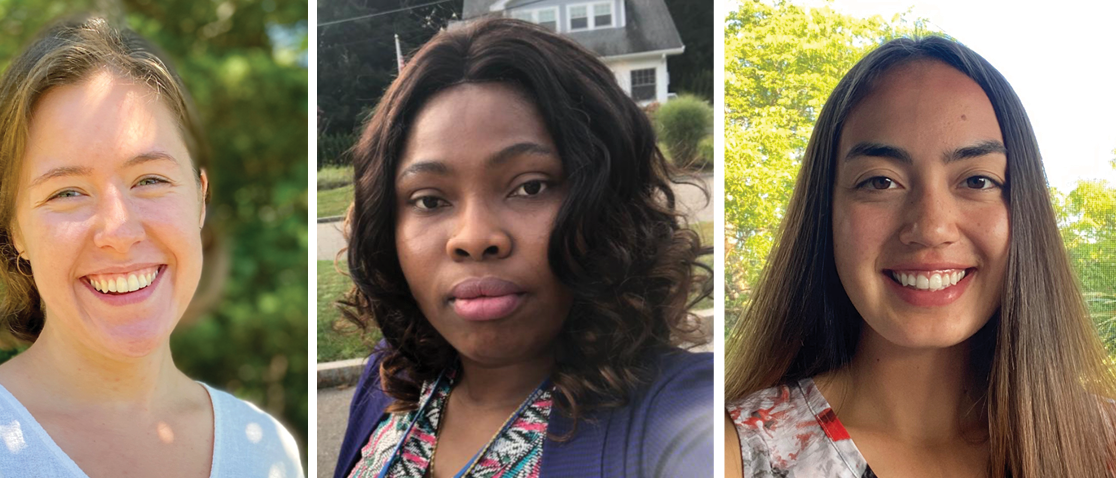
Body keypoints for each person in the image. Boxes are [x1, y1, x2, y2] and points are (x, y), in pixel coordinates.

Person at [0, 14, 303, 478]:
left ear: (200, 198)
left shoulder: (267, 450)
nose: (120, 230)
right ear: (16, 229)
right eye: (67, 192)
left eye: (150, 179)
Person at [330, 17, 715, 478]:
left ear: (610, 205)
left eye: (530, 187)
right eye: (430, 199)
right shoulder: (390, 374)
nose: (473, 238)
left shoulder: (683, 415)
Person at [723, 35, 1116, 477]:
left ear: (1024, 212)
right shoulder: (733, 456)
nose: (931, 228)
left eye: (978, 181)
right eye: (880, 182)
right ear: (825, 214)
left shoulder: (1106, 444)